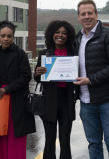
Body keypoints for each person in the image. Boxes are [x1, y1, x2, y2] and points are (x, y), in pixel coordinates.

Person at [73, 0, 109, 159]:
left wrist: (91, 80)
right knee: (93, 143)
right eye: (83, 14)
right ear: (79, 17)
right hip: (86, 102)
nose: (87, 16)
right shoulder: (77, 39)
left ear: (96, 14)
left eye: (90, 13)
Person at [0, 20, 36, 159]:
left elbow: (26, 77)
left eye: (9, 36)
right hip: (0, 99)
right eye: (3, 35)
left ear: (13, 37)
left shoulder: (20, 54)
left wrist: (7, 89)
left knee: (16, 135)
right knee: (3, 134)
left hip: (17, 99)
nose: (6, 39)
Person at [34, 20, 76, 159]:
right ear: (51, 34)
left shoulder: (73, 53)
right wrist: (37, 73)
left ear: (68, 35)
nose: (60, 35)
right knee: (49, 140)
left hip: (67, 101)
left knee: (65, 140)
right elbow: (38, 79)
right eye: (57, 32)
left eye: (64, 33)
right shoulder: (44, 54)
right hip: (49, 101)